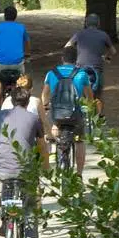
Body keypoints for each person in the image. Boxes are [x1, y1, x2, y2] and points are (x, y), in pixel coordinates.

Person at [0, 84, 48, 238]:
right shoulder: (33, 118)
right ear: (28, 101)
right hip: (26, 169)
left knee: (7, 186)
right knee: (30, 204)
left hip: (3, 168)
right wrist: (45, 167)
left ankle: (5, 217)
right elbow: (41, 146)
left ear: (11, 101)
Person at [42, 46, 95, 174]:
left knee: (50, 132)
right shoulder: (82, 74)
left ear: (62, 59)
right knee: (80, 141)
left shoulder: (51, 73)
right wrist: (90, 107)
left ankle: (53, 152)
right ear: (76, 60)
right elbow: (89, 97)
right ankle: (79, 174)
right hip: (75, 116)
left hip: (57, 115)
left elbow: (45, 95)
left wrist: (46, 106)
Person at [66, 13, 117, 117]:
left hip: (80, 68)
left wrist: (78, 54)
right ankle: (99, 116)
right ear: (98, 24)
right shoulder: (103, 35)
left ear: (86, 23)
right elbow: (113, 51)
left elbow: (67, 46)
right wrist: (106, 56)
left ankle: (80, 113)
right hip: (96, 69)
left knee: (80, 91)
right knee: (98, 94)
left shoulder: (79, 34)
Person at [0, 6, 30, 109]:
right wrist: (27, 54)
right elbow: (27, 42)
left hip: (2, 63)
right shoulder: (21, 28)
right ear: (16, 16)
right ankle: (22, 104)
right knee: (22, 82)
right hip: (17, 63)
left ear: (4, 16)